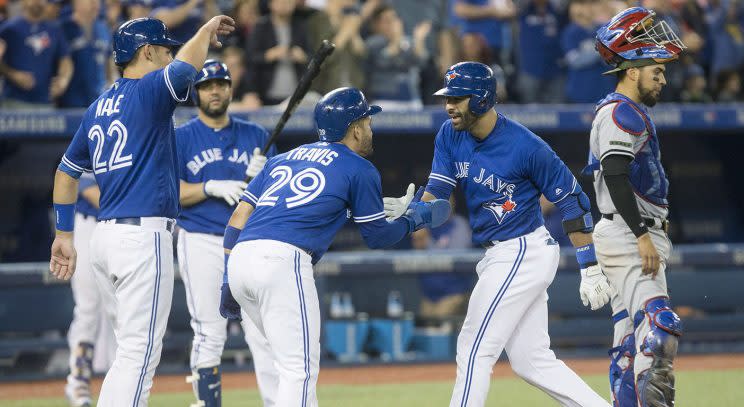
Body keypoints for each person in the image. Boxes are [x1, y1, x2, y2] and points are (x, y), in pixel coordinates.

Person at [385, 61, 613, 407]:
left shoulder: (526, 145)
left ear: (480, 99)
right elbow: (439, 200)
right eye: (448, 97)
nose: (449, 105)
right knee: (532, 361)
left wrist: (589, 265)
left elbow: (574, 201)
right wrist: (413, 213)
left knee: (473, 347)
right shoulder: (449, 134)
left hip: (522, 248)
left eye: (457, 98)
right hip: (501, 253)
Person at [221, 87, 451, 406]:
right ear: (354, 129)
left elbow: (239, 215)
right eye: (367, 122)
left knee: (279, 366)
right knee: (298, 370)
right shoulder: (360, 167)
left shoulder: (282, 160)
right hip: (281, 262)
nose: (370, 129)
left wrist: (225, 278)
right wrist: (414, 220)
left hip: (241, 259)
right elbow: (377, 237)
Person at [49, 15, 235, 406]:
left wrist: (64, 234)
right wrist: (204, 32)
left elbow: (66, 174)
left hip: (105, 239)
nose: (170, 56)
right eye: (165, 50)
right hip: (140, 239)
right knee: (138, 356)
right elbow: (186, 69)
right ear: (147, 52)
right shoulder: (149, 89)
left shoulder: (98, 106)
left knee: (127, 353)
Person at [590, 7, 686, 407]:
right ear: (632, 70)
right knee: (659, 332)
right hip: (630, 236)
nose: (662, 79)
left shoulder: (627, 110)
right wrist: (642, 235)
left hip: (630, 233)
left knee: (629, 345)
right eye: (655, 71)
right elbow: (614, 174)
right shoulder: (620, 111)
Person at [175, 58, 278, 407]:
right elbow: (166, 193)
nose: (214, 90)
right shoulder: (180, 137)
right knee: (209, 330)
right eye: (206, 85)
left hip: (249, 242)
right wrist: (208, 187)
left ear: (231, 88)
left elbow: (278, 197)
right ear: (196, 93)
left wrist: (265, 180)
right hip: (200, 238)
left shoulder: (257, 136)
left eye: (220, 83)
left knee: (263, 333)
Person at [64, 173, 117, 407]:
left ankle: (120, 386)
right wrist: (128, 203)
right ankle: (78, 382)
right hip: (89, 226)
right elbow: (86, 188)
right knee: (88, 308)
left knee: (121, 312)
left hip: (122, 229)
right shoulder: (90, 135)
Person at [0, 0, 73, 108]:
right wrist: (13, 74)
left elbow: (66, 60)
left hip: (45, 102)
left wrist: (63, 80)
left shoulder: (54, 30)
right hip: (14, 102)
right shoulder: (9, 29)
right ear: (23, 2)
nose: (37, 2)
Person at [58, 0, 113, 108]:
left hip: (99, 102)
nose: (95, 3)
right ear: (76, 3)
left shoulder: (103, 28)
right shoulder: (64, 28)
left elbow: (109, 63)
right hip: (71, 103)